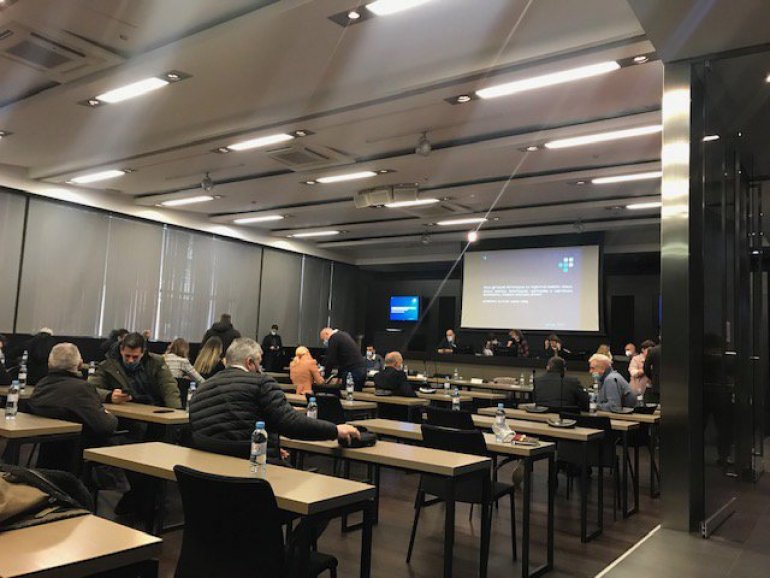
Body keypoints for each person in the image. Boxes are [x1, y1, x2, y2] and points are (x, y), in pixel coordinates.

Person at [189, 338, 360, 461]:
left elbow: (229, 429)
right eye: (259, 362)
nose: (261, 368)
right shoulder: (262, 383)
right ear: (250, 363)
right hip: (254, 477)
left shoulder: (201, 389)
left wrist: (270, 444)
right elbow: (290, 423)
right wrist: (335, 430)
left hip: (208, 478)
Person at [28, 343, 118, 448]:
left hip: (48, 448)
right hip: (82, 449)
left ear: (49, 364)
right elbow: (106, 427)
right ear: (80, 364)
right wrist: (108, 414)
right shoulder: (82, 389)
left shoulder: (41, 385)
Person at [89, 332, 181, 408]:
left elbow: (169, 388)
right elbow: (90, 390)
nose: (130, 360)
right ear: (121, 350)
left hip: (153, 409)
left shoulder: (156, 363)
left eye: (135, 357)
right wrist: (109, 396)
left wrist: (175, 413)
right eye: (127, 356)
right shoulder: (108, 365)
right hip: (125, 412)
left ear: (143, 352)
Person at [319, 327, 367, 391]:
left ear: (327, 333)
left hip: (352, 372)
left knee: (347, 393)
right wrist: (339, 376)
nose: (324, 342)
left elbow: (330, 359)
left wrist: (325, 377)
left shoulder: (334, 338)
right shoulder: (343, 335)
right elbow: (342, 359)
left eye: (323, 339)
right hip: (360, 370)